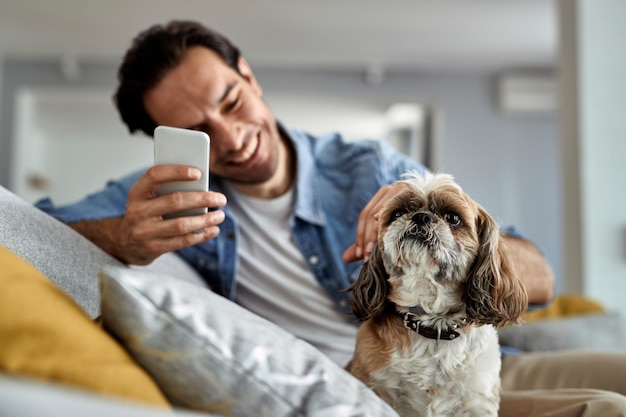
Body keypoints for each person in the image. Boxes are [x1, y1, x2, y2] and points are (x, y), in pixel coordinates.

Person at [36, 20, 626, 417]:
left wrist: (463, 239)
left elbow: (540, 281)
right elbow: (32, 230)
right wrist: (122, 236)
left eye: (233, 102)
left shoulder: (368, 166)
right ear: (165, 142)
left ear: (249, 74)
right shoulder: (165, 200)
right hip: (375, 380)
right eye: (197, 133)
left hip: (483, 364)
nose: (233, 138)